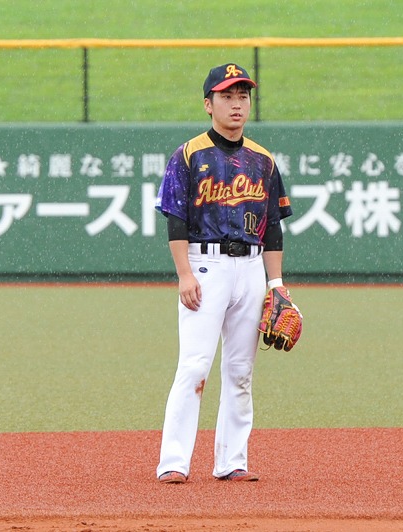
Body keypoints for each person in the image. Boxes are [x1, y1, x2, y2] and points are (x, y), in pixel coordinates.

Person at [154, 63, 293, 484]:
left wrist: (276, 286)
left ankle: (232, 460)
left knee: (240, 371)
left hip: (250, 269)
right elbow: (176, 219)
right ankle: (174, 461)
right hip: (205, 264)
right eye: (227, 96)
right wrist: (184, 274)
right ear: (208, 104)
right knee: (195, 365)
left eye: (242, 96)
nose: (236, 104)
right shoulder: (189, 155)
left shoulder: (263, 160)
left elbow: (273, 228)